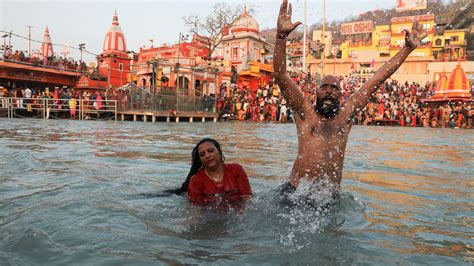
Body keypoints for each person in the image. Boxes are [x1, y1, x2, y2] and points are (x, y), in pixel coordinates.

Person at [273, 0, 427, 195]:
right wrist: (280, 37)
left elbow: (377, 79)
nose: (329, 91)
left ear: (341, 94)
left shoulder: (345, 116)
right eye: (324, 87)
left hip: (328, 197)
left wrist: (407, 49)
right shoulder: (305, 112)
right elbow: (280, 76)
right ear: (317, 92)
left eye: (334, 88)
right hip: (295, 193)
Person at [161, 138, 252, 206]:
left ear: (219, 152)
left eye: (211, 151)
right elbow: (196, 209)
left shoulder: (237, 170)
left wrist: (241, 216)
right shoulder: (196, 180)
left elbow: (247, 197)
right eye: (202, 154)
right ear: (200, 160)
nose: (207, 156)